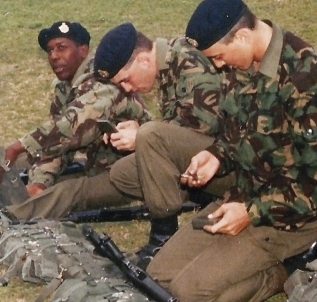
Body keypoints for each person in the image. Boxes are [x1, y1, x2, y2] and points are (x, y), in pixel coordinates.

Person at [146, 0, 317, 302]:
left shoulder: (310, 80)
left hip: (290, 218)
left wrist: (252, 212)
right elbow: (239, 131)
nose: (216, 65)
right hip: (242, 196)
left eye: (218, 57)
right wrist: (216, 154)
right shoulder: (238, 66)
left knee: (186, 297)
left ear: (241, 36)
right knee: (159, 277)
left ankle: (287, 268)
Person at [0, 21, 148, 245]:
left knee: (68, 192)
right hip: (96, 168)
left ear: (83, 50)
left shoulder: (103, 80)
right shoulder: (66, 87)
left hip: (129, 173)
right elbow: (56, 146)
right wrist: (40, 183)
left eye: (62, 47)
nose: (54, 56)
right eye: (50, 50)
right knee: (17, 167)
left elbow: (69, 129)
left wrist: (20, 145)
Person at [89, 20, 234, 261]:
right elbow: (180, 124)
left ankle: (162, 236)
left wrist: (142, 135)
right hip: (207, 159)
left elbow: (206, 126)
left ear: (144, 60)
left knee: (150, 137)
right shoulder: (169, 63)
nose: (127, 88)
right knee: (121, 173)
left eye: (126, 79)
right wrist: (140, 130)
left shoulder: (189, 61)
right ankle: (198, 194)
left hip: (230, 161)